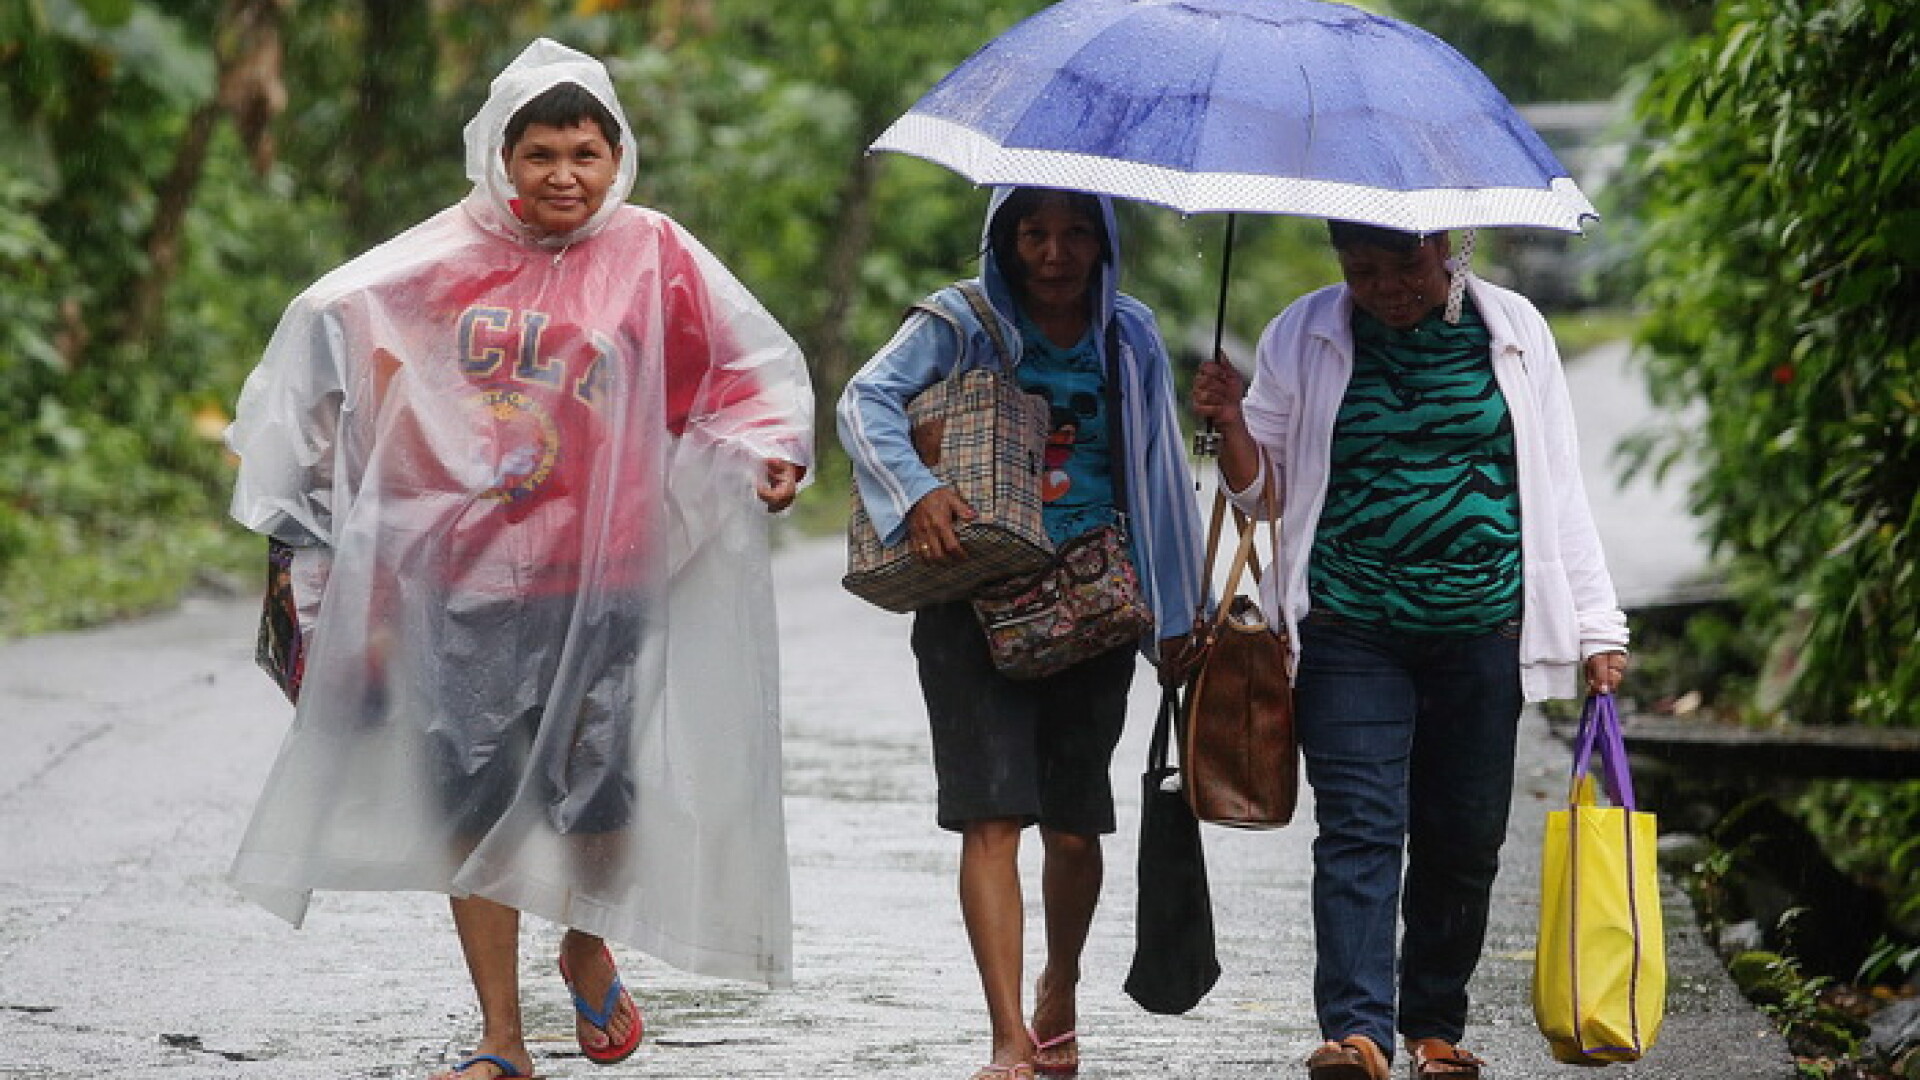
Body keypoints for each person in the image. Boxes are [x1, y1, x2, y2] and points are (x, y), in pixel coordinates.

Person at [224, 40, 814, 1080]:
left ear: (616, 154)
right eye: (539, 152)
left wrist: (767, 451)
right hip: (460, 586)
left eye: (585, 152)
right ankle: (503, 1038)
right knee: (471, 809)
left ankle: (586, 947)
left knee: (599, 808)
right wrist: (302, 476)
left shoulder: (655, 257)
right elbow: (331, 324)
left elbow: (740, 375)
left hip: (609, 575)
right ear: (499, 159)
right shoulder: (439, 263)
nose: (563, 174)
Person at [1189, 221, 1629, 1080]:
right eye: (1361, 270)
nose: (1386, 286)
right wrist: (1233, 423)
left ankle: (1435, 1027)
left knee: (1463, 836)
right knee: (1358, 823)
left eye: (1406, 267)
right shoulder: (1304, 333)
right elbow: (1263, 499)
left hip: (1484, 625)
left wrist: (1598, 625)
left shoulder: (1516, 332)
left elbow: (1558, 485)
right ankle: (1358, 1031)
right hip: (1350, 623)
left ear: (1449, 249)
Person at [838, 186, 1207, 1080]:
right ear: (1002, 240)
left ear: (1104, 241)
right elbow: (865, 400)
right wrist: (918, 492)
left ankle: (1060, 985)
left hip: (1095, 609)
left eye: (1077, 232)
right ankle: (1007, 1036)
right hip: (972, 602)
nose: (1054, 252)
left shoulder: (1132, 335)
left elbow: (1157, 470)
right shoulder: (957, 321)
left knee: (1075, 828)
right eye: (1033, 232)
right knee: (990, 817)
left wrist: (1179, 613)